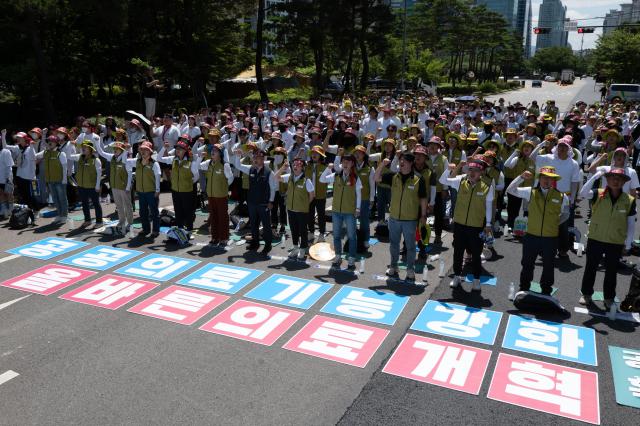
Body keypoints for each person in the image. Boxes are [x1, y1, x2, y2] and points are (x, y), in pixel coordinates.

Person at [579, 168, 636, 312]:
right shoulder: (598, 193)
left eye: (619, 179)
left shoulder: (629, 200)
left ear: (624, 182)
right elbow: (582, 193)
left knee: (611, 271)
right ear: (607, 179)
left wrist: (628, 245)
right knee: (590, 268)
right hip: (595, 238)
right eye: (612, 178)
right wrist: (595, 176)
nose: (615, 181)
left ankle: (609, 298)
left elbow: (631, 225)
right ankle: (586, 294)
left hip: (615, 241)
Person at [507, 167, 569, 296]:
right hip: (531, 236)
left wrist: (554, 224)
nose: (546, 180)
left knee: (548, 266)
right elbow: (510, 190)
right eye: (544, 177)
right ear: (539, 178)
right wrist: (521, 177)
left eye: (550, 178)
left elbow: (566, 214)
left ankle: (546, 290)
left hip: (550, 237)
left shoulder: (562, 196)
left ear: (553, 180)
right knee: (527, 264)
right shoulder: (530, 192)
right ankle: (524, 287)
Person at [440, 157, 494, 292]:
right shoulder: (460, 181)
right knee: (458, 252)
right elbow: (443, 181)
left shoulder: (487, 186)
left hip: (476, 225)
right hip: (459, 224)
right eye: (470, 169)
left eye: (476, 170)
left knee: (476, 254)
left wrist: (488, 224)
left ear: (481, 172)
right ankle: (457, 276)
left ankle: (476, 280)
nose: (472, 172)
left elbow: (488, 205)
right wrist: (448, 169)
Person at [375, 152, 428, 282]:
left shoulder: (418, 178)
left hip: (410, 220)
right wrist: (382, 164)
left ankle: (410, 269)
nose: (401, 163)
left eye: (404, 161)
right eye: (400, 160)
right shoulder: (394, 176)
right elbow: (376, 178)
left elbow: (423, 198)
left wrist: (423, 215)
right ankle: (393, 266)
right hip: (394, 218)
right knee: (394, 245)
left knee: (410, 246)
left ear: (411, 163)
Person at [532, 136, 581, 257]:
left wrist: (573, 199)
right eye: (560, 146)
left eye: (565, 146)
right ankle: (545, 250)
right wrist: (542, 144)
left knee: (563, 226)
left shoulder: (573, 163)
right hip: (547, 195)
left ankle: (563, 249)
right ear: (556, 147)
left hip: (565, 197)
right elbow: (532, 157)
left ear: (569, 148)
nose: (562, 148)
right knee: (547, 223)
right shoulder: (548, 158)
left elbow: (575, 182)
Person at [322, 154, 362, 269]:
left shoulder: (355, 177)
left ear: (352, 164)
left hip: (350, 211)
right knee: (336, 236)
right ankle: (338, 255)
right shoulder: (336, 175)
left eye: (348, 162)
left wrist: (358, 208)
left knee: (351, 236)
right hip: (336, 211)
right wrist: (328, 168)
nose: (345, 164)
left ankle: (351, 258)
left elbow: (358, 194)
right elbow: (322, 179)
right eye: (344, 162)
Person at [234, 148, 276, 255]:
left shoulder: (269, 172)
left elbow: (273, 188)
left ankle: (268, 245)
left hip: (264, 203)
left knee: (266, 225)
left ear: (263, 159)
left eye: (260, 158)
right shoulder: (251, 169)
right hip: (252, 202)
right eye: (256, 158)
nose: (258, 160)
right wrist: (238, 156)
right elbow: (238, 166)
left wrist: (271, 201)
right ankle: (255, 242)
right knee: (253, 224)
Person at [276, 157, 315, 260]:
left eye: (298, 165)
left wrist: (305, 204)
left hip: (302, 210)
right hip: (291, 209)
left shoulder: (307, 181)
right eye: (294, 165)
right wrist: (282, 168)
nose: (295, 166)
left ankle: (302, 249)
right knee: (294, 230)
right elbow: (276, 177)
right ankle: (295, 248)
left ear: (302, 168)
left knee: (303, 231)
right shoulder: (289, 177)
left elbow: (311, 195)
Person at [159, 139, 200, 232]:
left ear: (185, 150)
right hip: (175, 190)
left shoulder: (191, 162)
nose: (178, 150)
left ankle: (189, 230)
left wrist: (188, 183)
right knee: (178, 211)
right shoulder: (173, 159)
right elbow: (159, 158)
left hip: (187, 191)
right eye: (177, 148)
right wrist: (163, 148)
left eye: (180, 149)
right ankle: (180, 229)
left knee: (188, 211)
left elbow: (196, 176)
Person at [95, 134, 133, 235]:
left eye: (117, 149)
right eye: (114, 148)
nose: (114, 150)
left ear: (121, 150)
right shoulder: (111, 157)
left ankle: (130, 223)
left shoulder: (125, 158)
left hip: (124, 187)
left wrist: (128, 187)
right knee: (119, 206)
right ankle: (121, 222)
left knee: (128, 206)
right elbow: (101, 152)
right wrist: (98, 141)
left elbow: (129, 174)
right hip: (115, 186)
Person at [200, 144, 233, 246]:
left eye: (216, 151)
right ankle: (215, 237)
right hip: (211, 195)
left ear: (221, 154)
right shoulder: (208, 163)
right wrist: (200, 157)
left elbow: (230, 179)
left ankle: (224, 238)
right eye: (212, 150)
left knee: (222, 217)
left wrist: (223, 187)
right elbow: (198, 166)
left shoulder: (224, 165)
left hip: (221, 195)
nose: (213, 152)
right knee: (213, 217)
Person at [126, 141, 160, 238]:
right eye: (142, 149)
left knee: (154, 212)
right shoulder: (137, 161)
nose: (143, 151)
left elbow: (158, 176)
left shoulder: (154, 163)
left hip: (151, 191)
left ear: (150, 152)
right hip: (141, 192)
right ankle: (146, 229)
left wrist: (157, 190)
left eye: (146, 150)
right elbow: (125, 161)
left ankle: (155, 230)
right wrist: (127, 150)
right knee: (143, 212)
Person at [1, 130, 38, 214]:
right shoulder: (18, 148)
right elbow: (5, 147)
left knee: (32, 196)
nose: (18, 139)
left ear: (25, 139)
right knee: (24, 195)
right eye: (17, 138)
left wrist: (32, 146)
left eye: (20, 138)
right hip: (20, 176)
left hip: (30, 177)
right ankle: (28, 212)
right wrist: (3, 135)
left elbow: (33, 157)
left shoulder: (30, 148)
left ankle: (36, 211)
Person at [69, 141, 102, 227]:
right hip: (81, 186)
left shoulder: (96, 160)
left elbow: (99, 174)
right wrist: (70, 145)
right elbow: (68, 156)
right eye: (82, 146)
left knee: (96, 204)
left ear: (90, 149)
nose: (83, 148)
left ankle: (99, 222)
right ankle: (87, 220)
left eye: (85, 147)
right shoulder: (79, 157)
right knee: (84, 204)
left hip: (92, 186)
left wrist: (97, 185)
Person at [36, 135, 68, 224]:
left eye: (52, 141)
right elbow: (34, 156)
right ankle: (59, 215)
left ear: (56, 143)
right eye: (49, 141)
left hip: (60, 180)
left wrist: (65, 179)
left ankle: (64, 215)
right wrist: (30, 146)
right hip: (50, 180)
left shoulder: (61, 154)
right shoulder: (45, 152)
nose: (49, 143)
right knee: (55, 199)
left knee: (62, 198)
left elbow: (65, 167)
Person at [306, 146, 328, 242]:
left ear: (321, 155)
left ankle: (322, 233)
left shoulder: (325, 167)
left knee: (321, 215)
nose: (314, 155)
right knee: (309, 215)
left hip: (321, 195)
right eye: (313, 153)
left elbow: (328, 181)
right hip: (309, 196)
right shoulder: (307, 166)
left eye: (317, 153)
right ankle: (311, 232)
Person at [0, 143, 14, 219]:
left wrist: (9, 178)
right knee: (1, 194)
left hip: (7, 178)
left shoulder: (6, 152)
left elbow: (9, 166)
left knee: (9, 194)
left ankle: (11, 211)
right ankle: (4, 211)